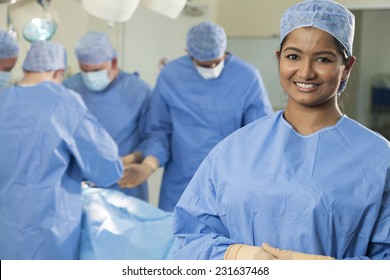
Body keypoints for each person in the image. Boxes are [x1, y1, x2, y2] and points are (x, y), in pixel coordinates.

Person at [172, 0, 390, 260]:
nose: (306, 72)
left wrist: (334, 270)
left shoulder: (379, 158)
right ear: (279, 59)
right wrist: (238, 256)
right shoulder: (235, 148)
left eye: (323, 59)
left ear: (347, 67)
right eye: (293, 56)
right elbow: (191, 236)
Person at [120, 21, 273, 212]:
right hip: (181, 183)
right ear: (188, 53)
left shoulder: (247, 76)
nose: (211, 68)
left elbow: (258, 135)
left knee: (228, 240)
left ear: (224, 50)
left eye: (216, 62)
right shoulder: (171, 76)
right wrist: (148, 165)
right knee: (177, 237)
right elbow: (160, 129)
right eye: (204, 64)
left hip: (230, 181)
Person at [0, 41, 123, 260]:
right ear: (59, 73)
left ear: (25, 69)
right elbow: (107, 166)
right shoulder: (64, 102)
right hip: (50, 235)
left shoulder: (4, 99)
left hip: (5, 232)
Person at [63, 31, 152, 201]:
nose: (89, 76)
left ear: (114, 62)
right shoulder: (70, 87)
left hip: (124, 185)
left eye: (96, 70)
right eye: (84, 70)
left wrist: (134, 158)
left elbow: (155, 136)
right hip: (79, 185)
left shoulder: (139, 91)